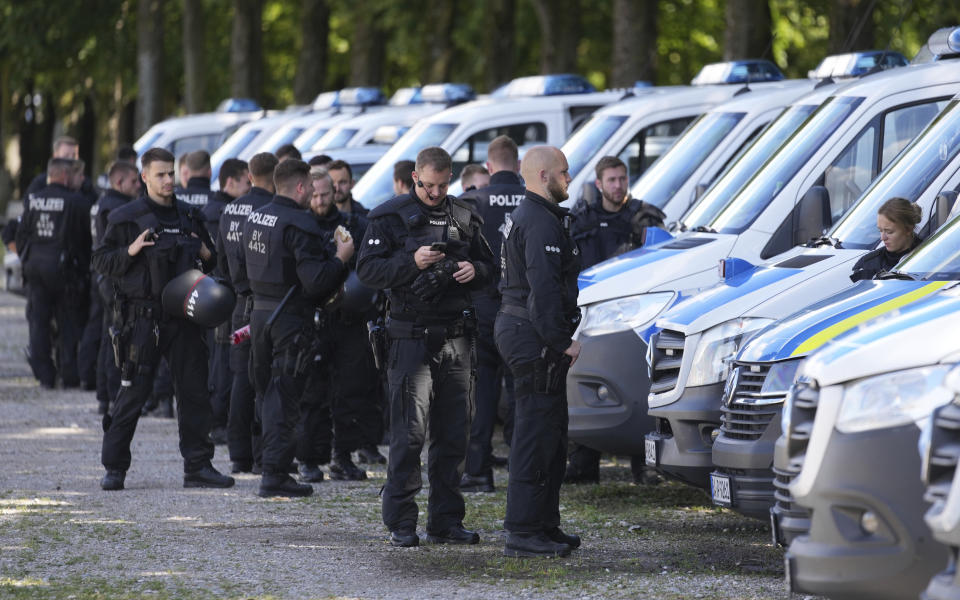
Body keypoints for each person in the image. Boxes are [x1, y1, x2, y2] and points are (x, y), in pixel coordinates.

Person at [357, 146, 494, 548]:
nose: (434, 193)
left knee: (454, 434)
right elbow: (367, 270)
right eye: (427, 185)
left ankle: (446, 520)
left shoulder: (464, 216)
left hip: (456, 338)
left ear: (450, 178)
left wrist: (475, 271)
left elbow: (491, 267)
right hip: (410, 336)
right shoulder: (389, 216)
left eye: (441, 185)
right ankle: (401, 520)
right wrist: (411, 263)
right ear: (415, 177)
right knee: (409, 434)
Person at [92, 147, 234, 491]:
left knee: (194, 393)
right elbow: (101, 261)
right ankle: (114, 468)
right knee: (132, 394)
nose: (168, 180)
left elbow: (211, 260)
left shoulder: (188, 215)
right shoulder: (126, 218)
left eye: (171, 173)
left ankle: (198, 466)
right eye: (160, 174)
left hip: (184, 317)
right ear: (144, 177)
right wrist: (130, 251)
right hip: (143, 320)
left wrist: (205, 253)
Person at [245, 159, 353, 498]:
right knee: (284, 397)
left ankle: (269, 464)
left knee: (266, 393)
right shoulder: (301, 223)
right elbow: (317, 281)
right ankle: (275, 474)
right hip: (288, 319)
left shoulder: (257, 216)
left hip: (260, 312)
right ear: (302, 187)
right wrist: (341, 257)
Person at [496, 145, 582, 558]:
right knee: (534, 433)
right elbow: (543, 292)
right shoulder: (540, 223)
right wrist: (562, 341)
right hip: (531, 334)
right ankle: (523, 530)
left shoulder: (535, 217)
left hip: (524, 330)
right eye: (564, 173)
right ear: (544, 176)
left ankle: (544, 524)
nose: (570, 178)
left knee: (551, 432)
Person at [565, 155, 666, 485]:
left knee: (640, 387)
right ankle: (583, 464)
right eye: (611, 180)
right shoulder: (581, 219)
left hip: (634, 316)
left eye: (622, 179)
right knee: (585, 385)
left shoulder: (644, 217)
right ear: (599, 184)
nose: (618, 185)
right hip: (589, 313)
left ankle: (645, 464)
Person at [295, 168, 382, 483]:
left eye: (325, 194)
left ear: (335, 193)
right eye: (314, 195)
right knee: (312, 394)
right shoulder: (300, 225)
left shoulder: (356, 225)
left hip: (349, 318)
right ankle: (308, 458)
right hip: (314, 319)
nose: (319, 200)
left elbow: (371, 266)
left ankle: (342, 456)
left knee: (350, 391)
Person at [457, 135, 524, 493]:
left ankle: (479, 472)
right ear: (518, 164)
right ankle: (524, 469)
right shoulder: (536, 201)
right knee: (522, 391)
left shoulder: (472, 202)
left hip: (484, 306)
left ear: (489, 167)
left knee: (482, 391)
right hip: (524, 310)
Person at [217, 152, 278, 474]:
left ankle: (238, 453)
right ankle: (260, 454)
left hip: (239, 303)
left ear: (250, 176)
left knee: (240, 379)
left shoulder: (229, 209)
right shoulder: (269, 212)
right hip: (265, 304)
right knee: (263, 380)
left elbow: (220, 261)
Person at [16, 157, 92, 389]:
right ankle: (68, 374)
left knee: (38, 323)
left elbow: (21, 235)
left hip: (35, 269)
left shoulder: (34, 200)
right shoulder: (76, 202)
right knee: (67, 322)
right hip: (64, 271)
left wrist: (27, 258)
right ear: (65, 176)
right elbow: (84, 240)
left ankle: (44, 374)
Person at [202, 158, 250, 444]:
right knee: (224, 362)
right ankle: (219, 421)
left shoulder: (213, 209)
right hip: (226, 293)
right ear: (230, 182)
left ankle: (219, 419)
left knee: (222, 359)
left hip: (218, 292)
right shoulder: (222, 212)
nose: (249, 188)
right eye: (246, 182)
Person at [91, 161, 142, 413]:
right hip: (114, 280)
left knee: (108, 336)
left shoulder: (104, 203)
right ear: (119, 182)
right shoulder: (117, 208)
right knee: (117, 340)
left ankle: (105, 396)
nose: (139, 185)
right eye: (134, 181)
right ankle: (112, 395)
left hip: (106, 279)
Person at [850, 197, 924, 281]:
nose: (883, 238)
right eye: (880, 231)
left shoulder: (930, 258)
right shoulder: (866, 265)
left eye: (889, 232)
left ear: (908, 229)